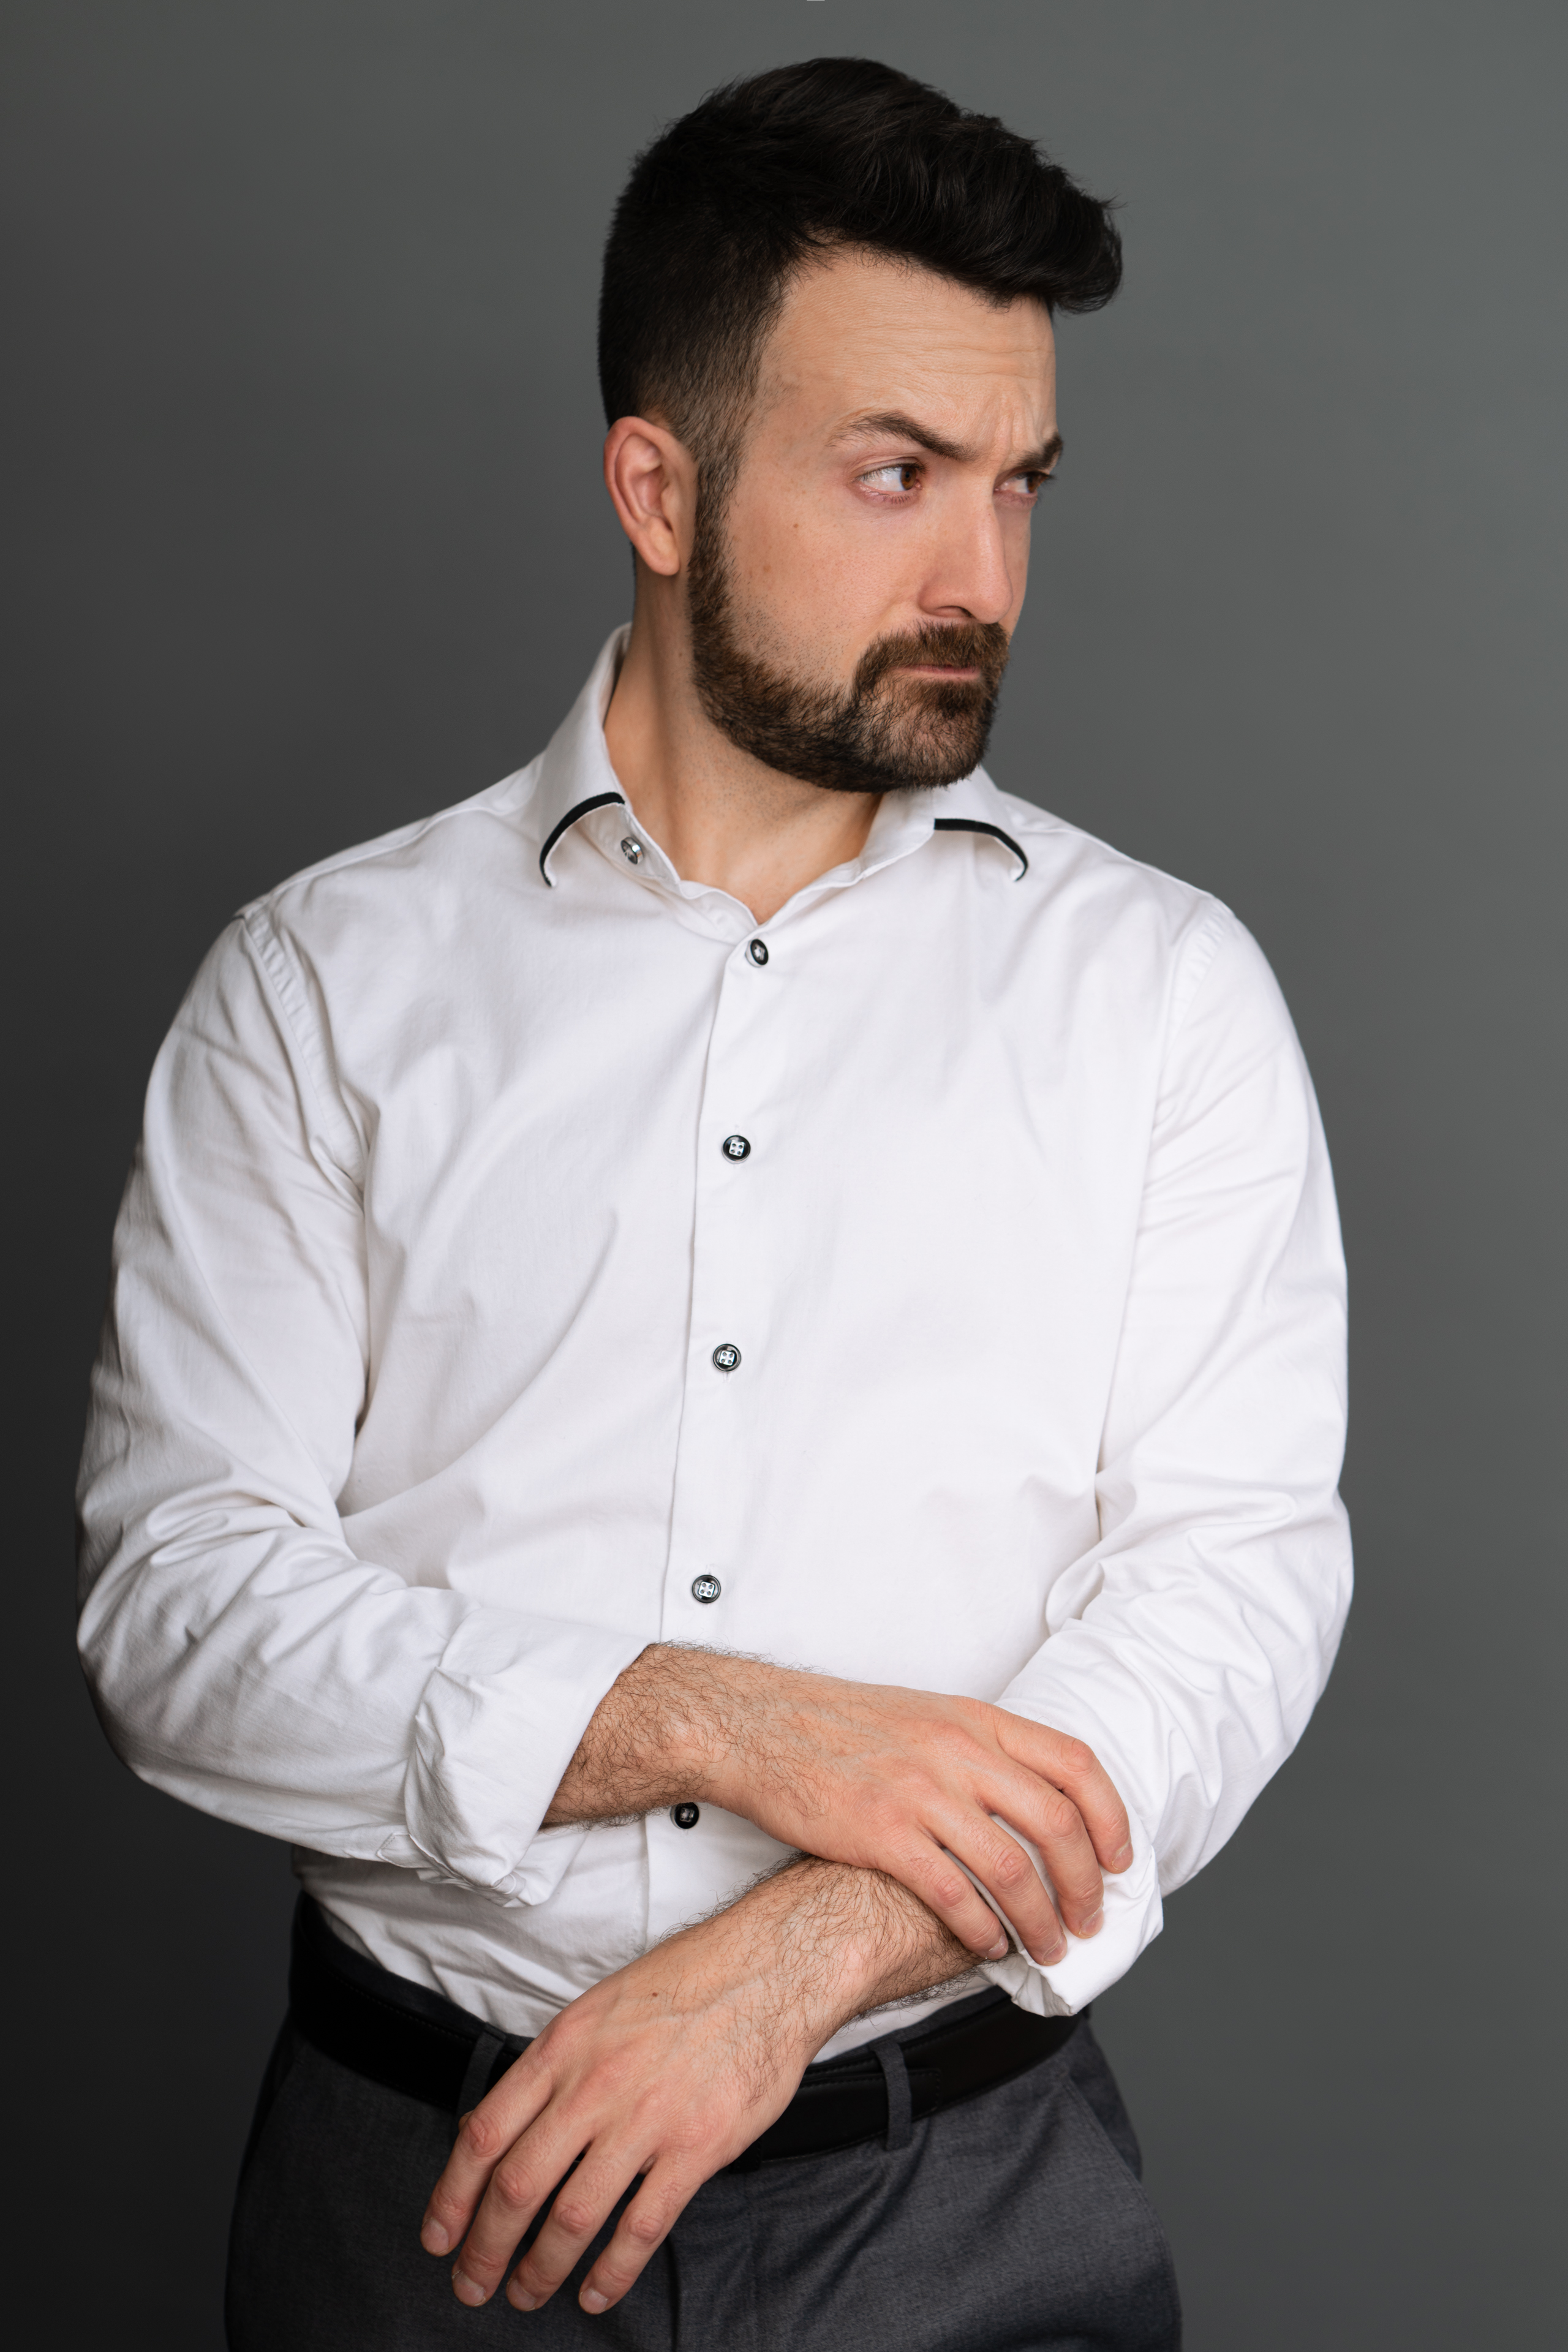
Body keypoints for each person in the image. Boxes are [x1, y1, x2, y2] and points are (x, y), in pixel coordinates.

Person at [77, 56, 1351, 2352]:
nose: (982, 579)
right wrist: (720, 1721)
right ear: (659, 491)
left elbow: (1229, 1592)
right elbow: (179, 1611)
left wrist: (790, 1965)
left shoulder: (1165, 993)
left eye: (1019, 485)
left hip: (965, 2206)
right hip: (426, 2203)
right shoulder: (325, 982)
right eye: (894, 476)